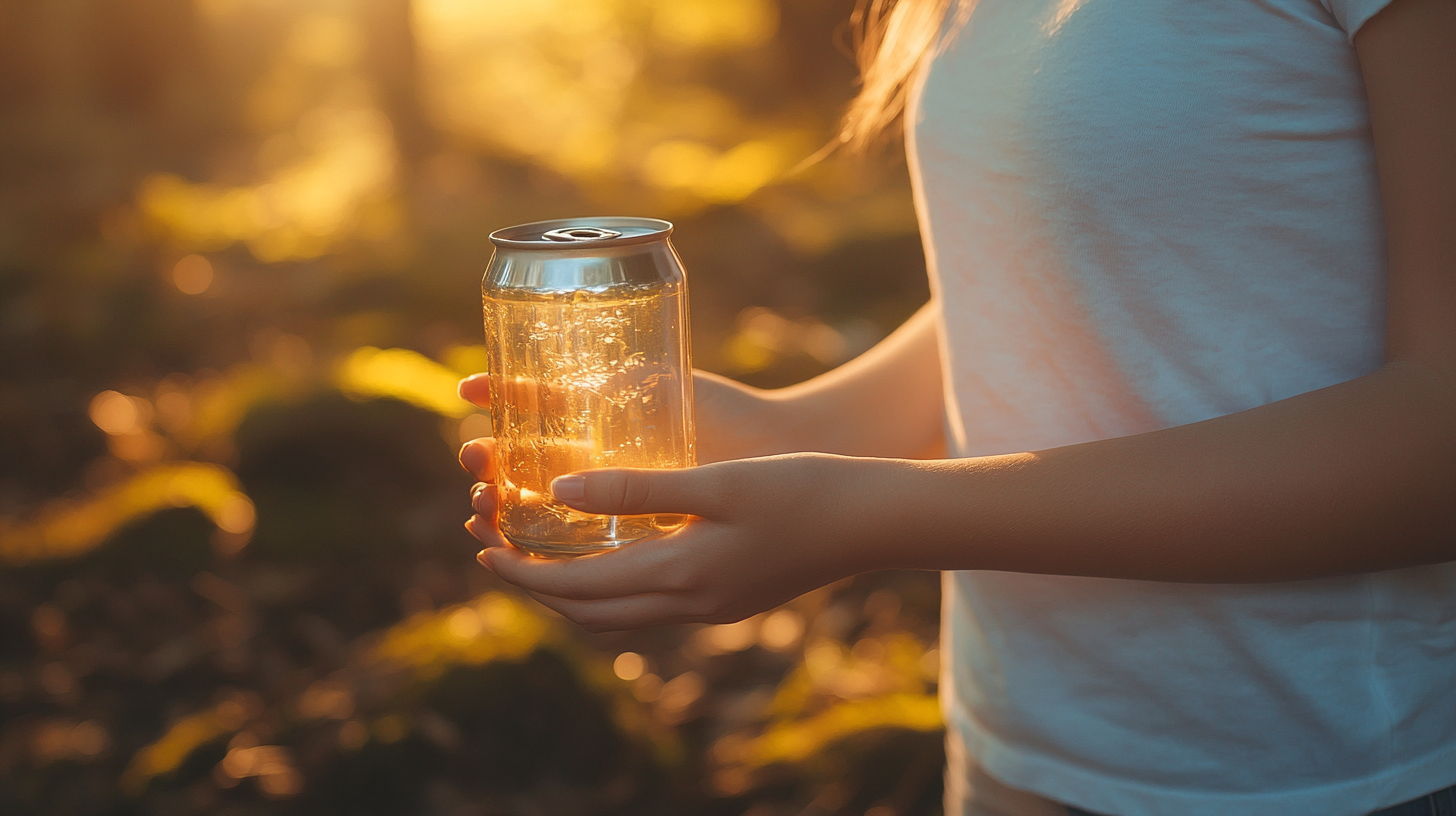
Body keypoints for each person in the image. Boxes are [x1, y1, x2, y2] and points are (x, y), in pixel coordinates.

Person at [458, 0, 1456, 813]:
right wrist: (793, 430)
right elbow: (1058, 263)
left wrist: (876, 515)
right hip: (1013, 741)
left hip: (1316, 769)